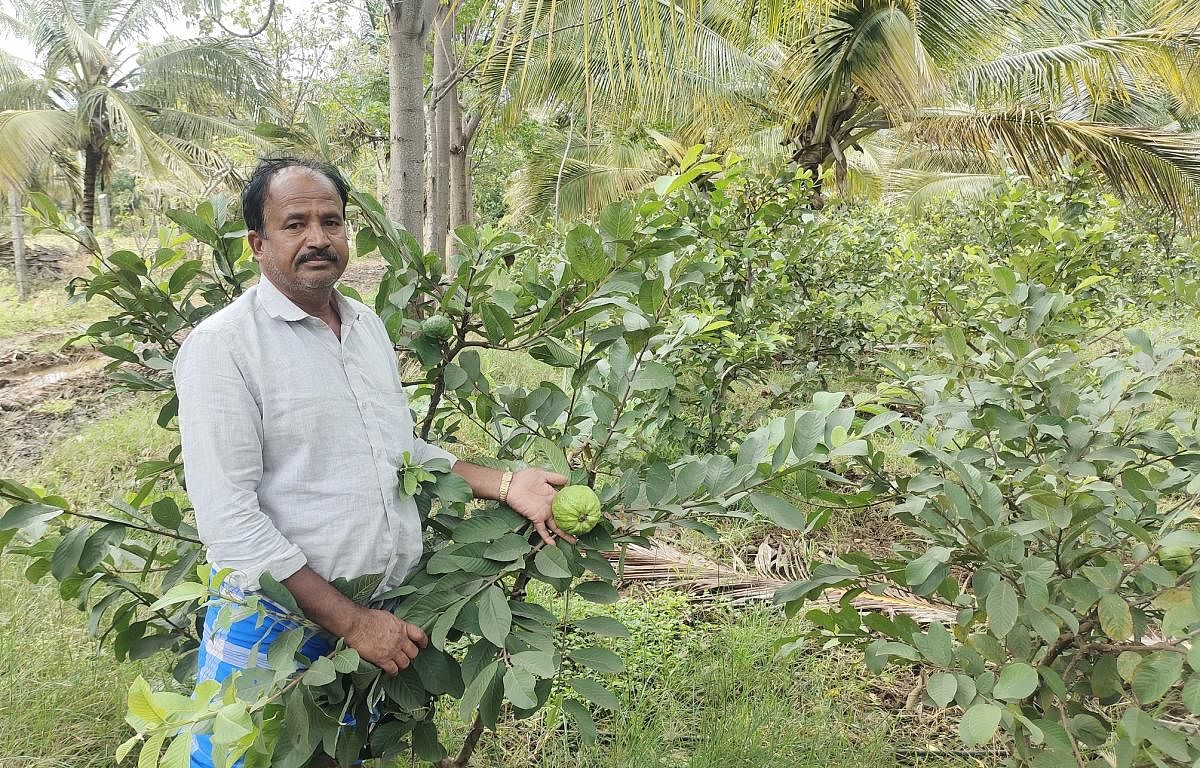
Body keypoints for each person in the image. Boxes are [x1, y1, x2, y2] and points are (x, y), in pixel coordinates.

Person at [174, 157, 576, 767]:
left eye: (331, 221)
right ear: (258, 242)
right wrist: (352, 622)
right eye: (295, 223)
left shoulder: (364, 327)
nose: (317, 238)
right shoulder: (223, 349)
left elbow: (398, 454)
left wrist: (506, 482)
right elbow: (230, 521)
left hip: (379, 617)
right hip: (277, 624)